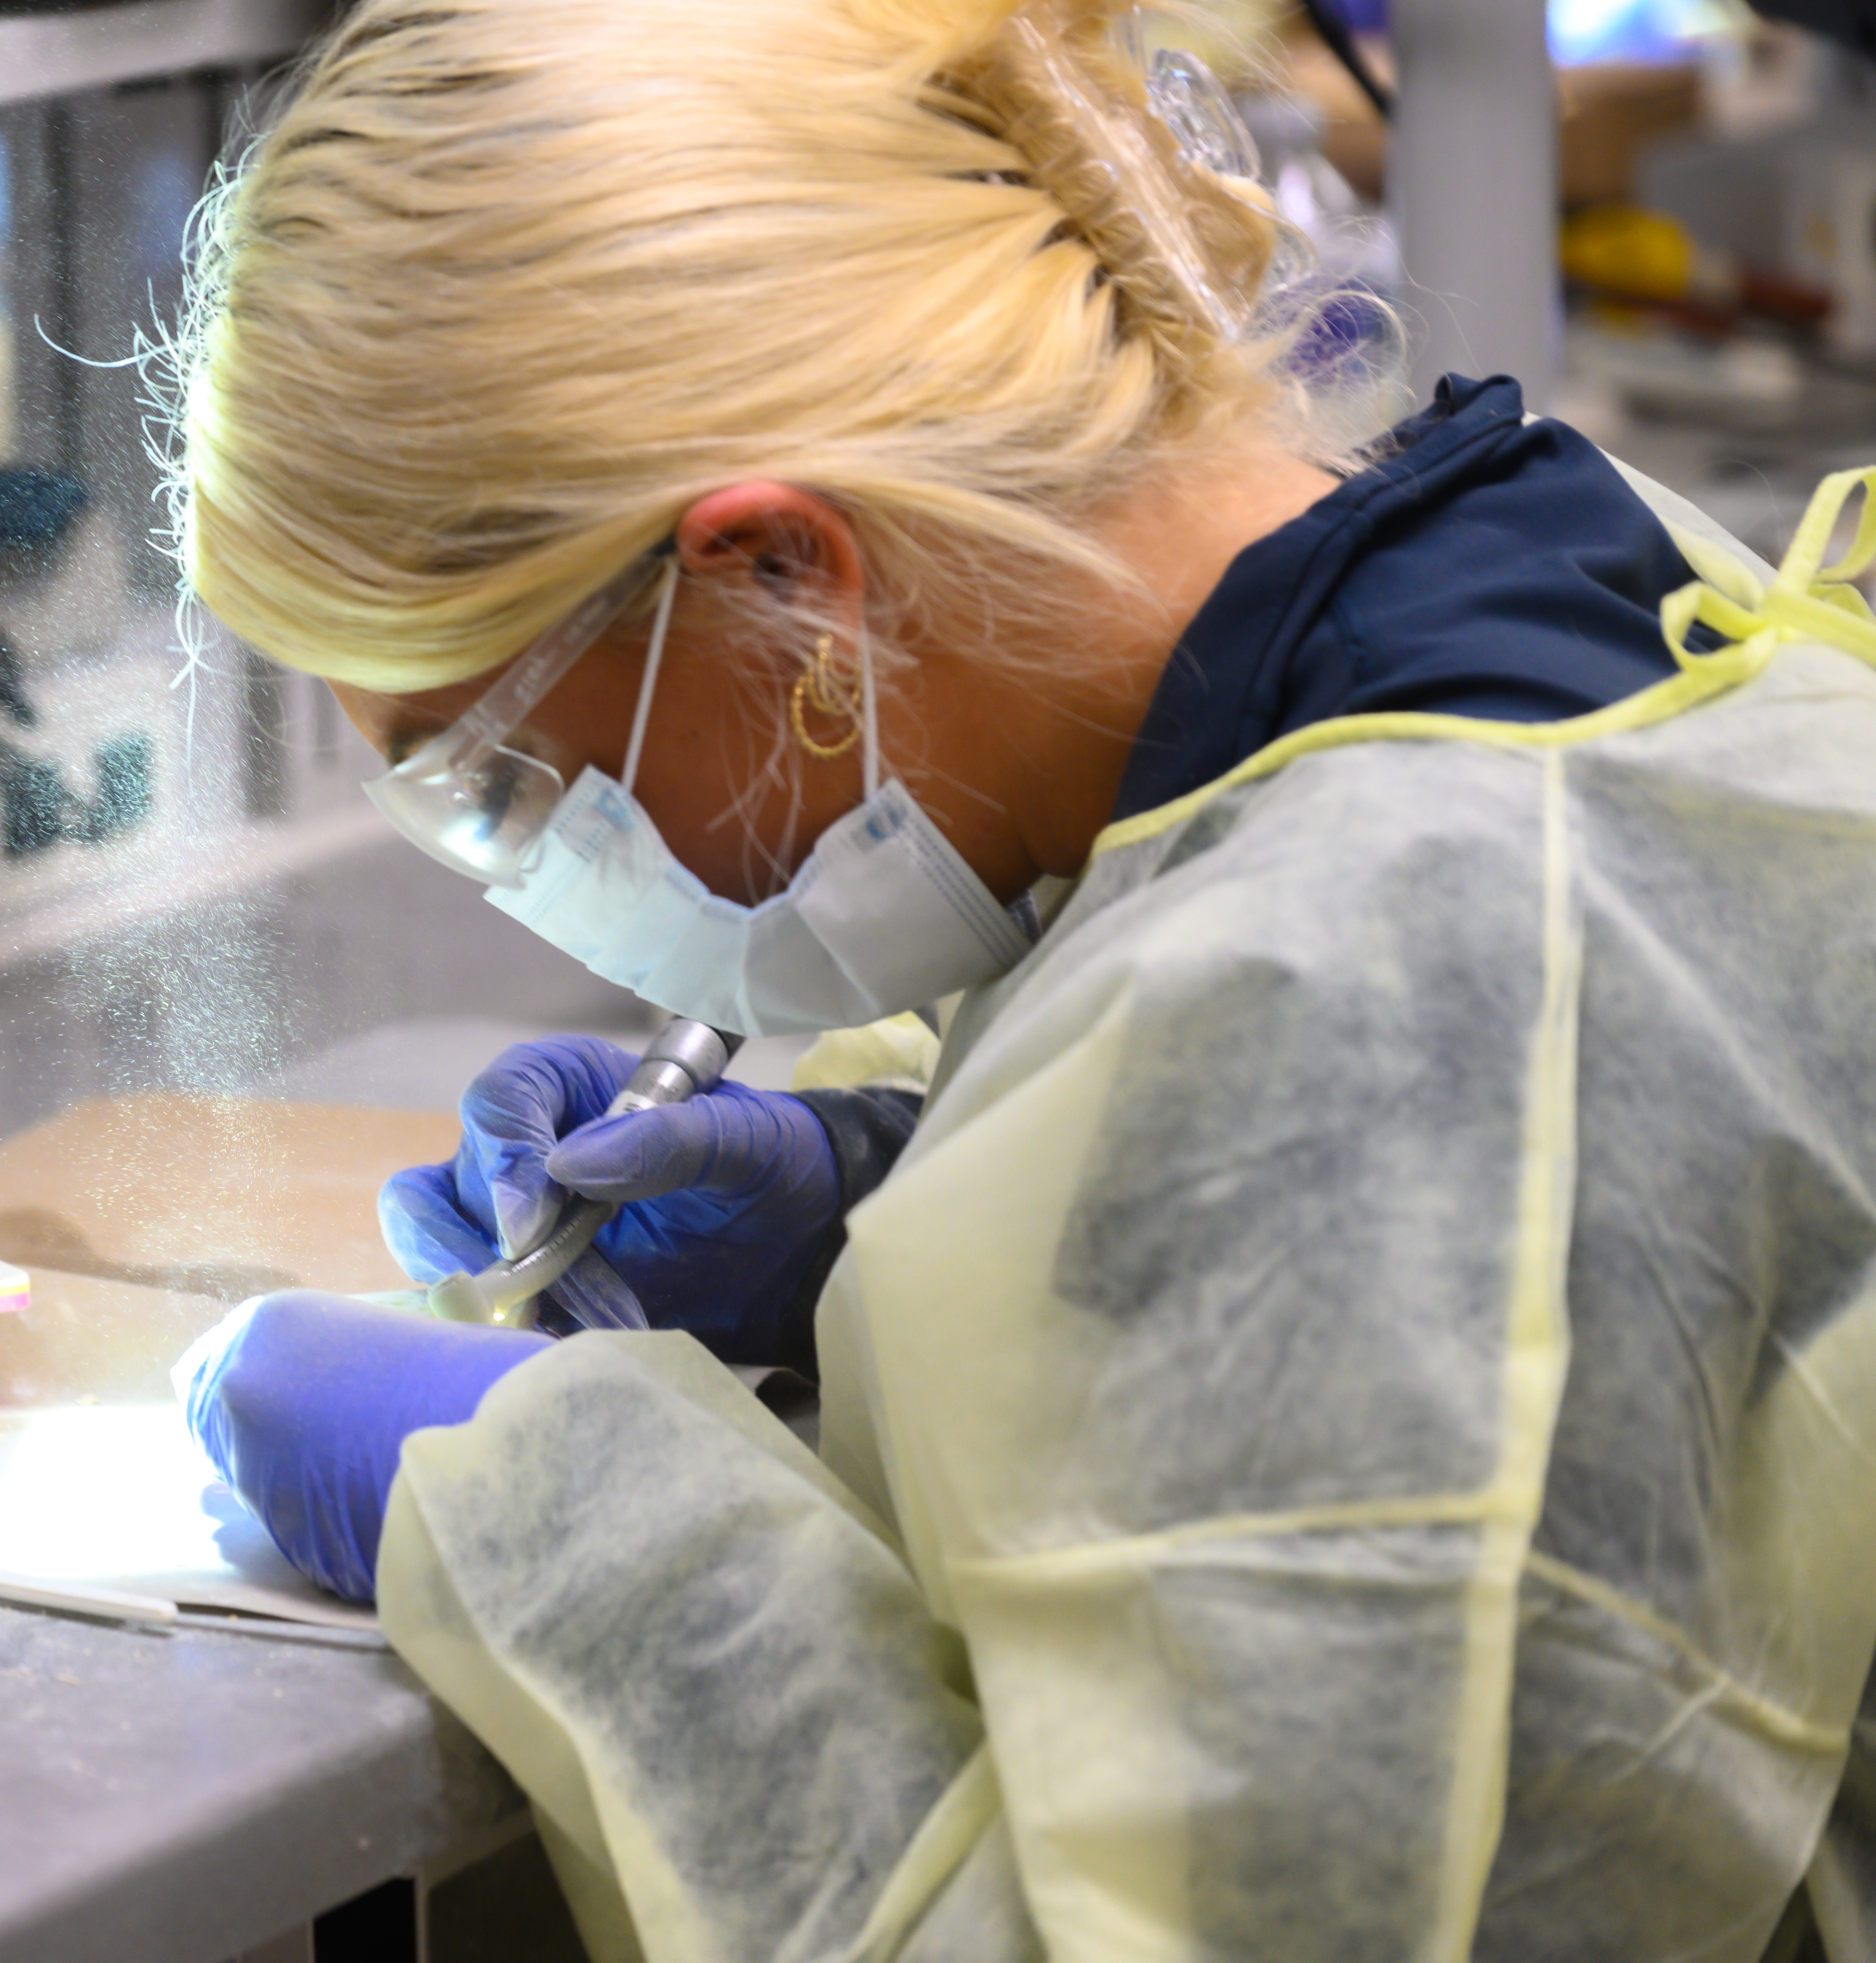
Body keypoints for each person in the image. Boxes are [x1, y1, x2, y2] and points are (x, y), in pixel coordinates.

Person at [164, 0, 1876, 1955]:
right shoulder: (1508, 572)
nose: (546, 871)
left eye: (507, 781)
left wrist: (538, 1505)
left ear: (781, 578)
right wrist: (900, 1206)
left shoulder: (1356, 985)